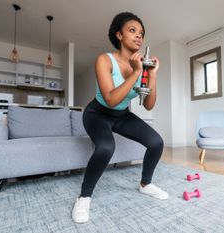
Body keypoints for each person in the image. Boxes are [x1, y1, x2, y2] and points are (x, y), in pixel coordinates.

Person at [72, 12, 168, 224]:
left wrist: (151, 74)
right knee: (106, 147)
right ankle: (84, 196)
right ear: (119, 35)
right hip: (97, 114)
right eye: (132, 31)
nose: (138, 36)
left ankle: (145, 184)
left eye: (141, 33)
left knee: (156, 142)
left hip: (122, 115)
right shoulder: (105, 60)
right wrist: (135, 72)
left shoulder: (143, 66)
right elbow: (111, 99)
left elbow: (149, 104)